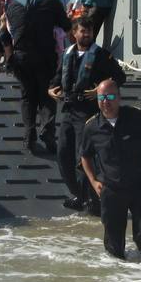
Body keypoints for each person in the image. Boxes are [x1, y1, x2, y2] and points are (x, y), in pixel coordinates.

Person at [79, 79, 141, 260]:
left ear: (119, 97)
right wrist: (94, 181)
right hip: (112, 190)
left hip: (140, 186)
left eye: (110, 97)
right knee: (114, 246)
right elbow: (85, 156)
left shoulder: (135, 117)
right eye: (101, 97)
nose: (105, 102)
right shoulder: (92, 126)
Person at [48, 16, 126, 213]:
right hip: (68, 110)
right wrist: (51, 89)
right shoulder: (68, 54)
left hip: (88, 112)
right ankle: (77, 193)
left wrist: (100, 89)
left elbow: (119, 77)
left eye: (89, 31)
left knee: (82, 156)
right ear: (74, 33)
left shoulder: (101, 56)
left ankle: (89, 198)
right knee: (63, 153)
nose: (87, 34)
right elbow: (57, 78)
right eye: (83, 31)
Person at [5, 0, 70, 152]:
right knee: (47, 95)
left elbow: (10, 31)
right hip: (45, 55)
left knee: (27, 96)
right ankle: (48, 131)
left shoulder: (11, 6)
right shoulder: (50, 1)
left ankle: (29, 134)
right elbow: (66, 25)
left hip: (21, 57)